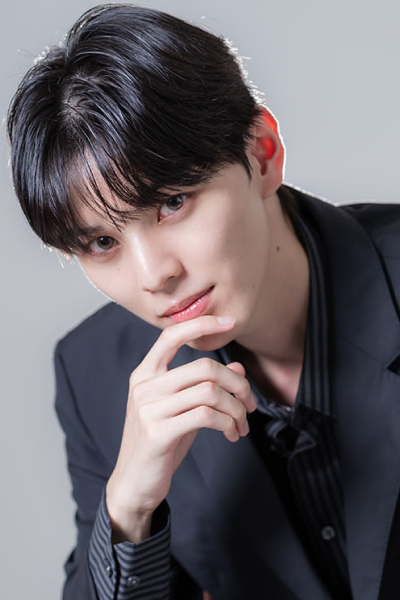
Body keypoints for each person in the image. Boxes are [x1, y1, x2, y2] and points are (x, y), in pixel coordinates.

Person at [7, 3, 400, 599]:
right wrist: (129, 509)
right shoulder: (93, 375)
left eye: (172, 202)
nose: (154, 276)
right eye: (103, 243)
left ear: (262, 153)